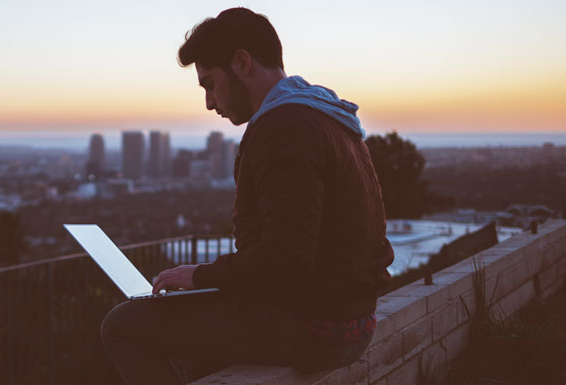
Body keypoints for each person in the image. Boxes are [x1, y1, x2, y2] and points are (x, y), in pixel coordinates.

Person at [100, 7, 395, 385]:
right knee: (199, 333)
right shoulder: (327, 116)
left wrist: (200, 275)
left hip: (317, 325)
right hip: (351, 317)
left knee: (122, 325)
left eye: (209, 83)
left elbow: (286, 258)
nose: (209, 102)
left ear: (241, 62)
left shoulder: (283, 126)